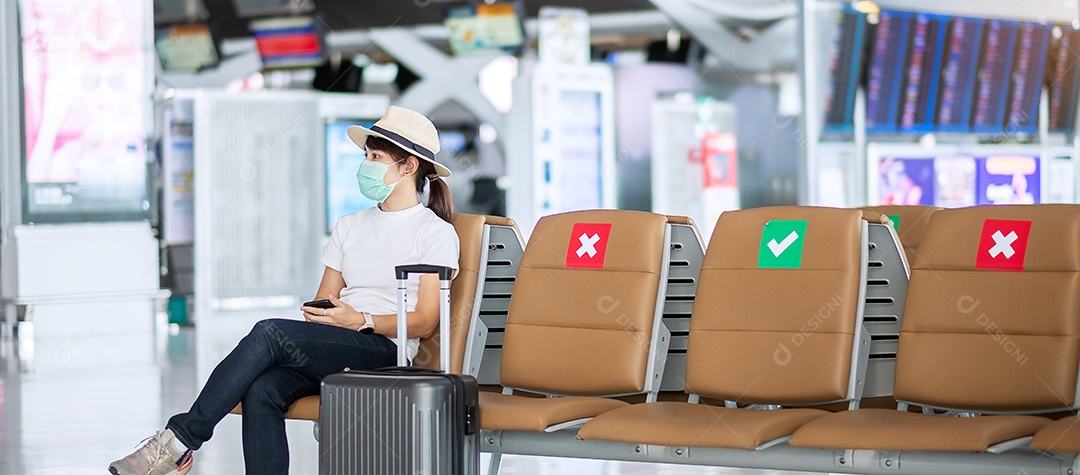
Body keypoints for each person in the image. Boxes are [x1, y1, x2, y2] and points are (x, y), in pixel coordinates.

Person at [109, 106, 460, 475]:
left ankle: (179, 442)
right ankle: (180, 444)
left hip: (386, 350)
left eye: (376, 157)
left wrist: (362, 320)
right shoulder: (350, 225)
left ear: (408, 167)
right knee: (262, 388)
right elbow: (325, 299)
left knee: (270, 332)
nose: (365, 165)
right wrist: (326, 316)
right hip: (341, 342)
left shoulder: (434, 233)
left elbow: (425, 321)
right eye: (366, 156)